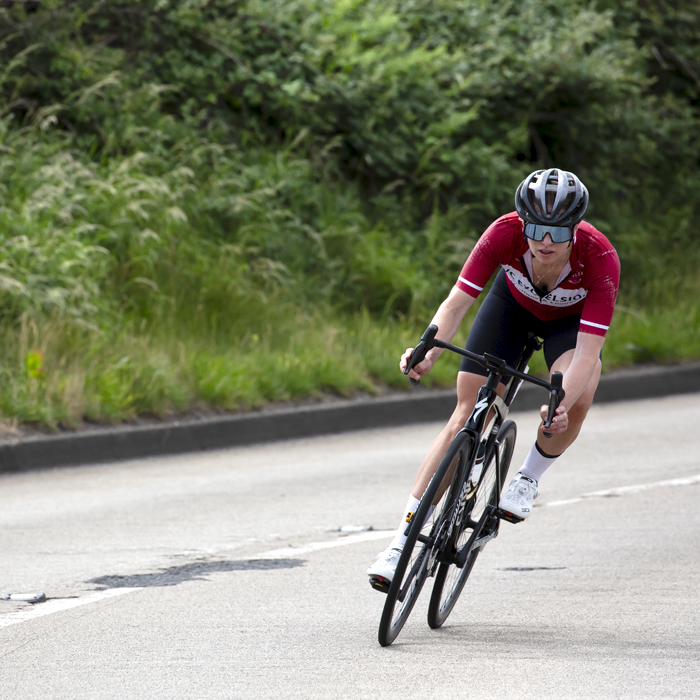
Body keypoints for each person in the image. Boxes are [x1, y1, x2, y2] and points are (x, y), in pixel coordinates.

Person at [367, 168, 621, 587]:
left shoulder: (599, 258)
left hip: (568, 326)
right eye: (536, 228)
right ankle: (399, 545)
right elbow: (454, 305)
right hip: (511, 308)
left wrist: (558, 405)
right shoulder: (503, 233)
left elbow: (588, 354)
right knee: (467, 411)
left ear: (575, 229)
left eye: (558, 232)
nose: (545, 241)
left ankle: (527, 477)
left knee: (575, 396)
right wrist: (426, 350)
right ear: (522, 222)